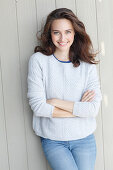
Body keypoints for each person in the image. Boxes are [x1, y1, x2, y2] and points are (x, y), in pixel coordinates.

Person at [27, 8, 102, 170]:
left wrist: (55, 102)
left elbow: (92, 109)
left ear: (75, 33)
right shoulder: (38, 61)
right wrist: (78, 110)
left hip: (84, 138)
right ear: (50, 35)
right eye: (56, 32)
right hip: (53, 140)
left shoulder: (87, 65)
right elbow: (39, 107)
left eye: (68, 32)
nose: (63, 38)